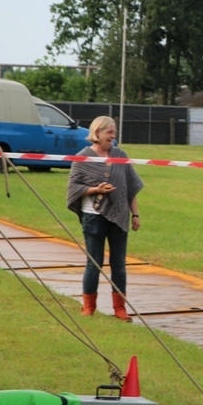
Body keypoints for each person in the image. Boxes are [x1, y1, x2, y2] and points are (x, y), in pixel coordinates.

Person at [67, 116, 144, 321]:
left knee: (119, 264)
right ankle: (89, 307)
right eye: (109, 132)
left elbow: (131, 187)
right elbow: (74, 187)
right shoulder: (83, 157)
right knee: (94, 263)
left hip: (119, 216)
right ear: (97, 132)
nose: (113, 136)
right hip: (93, 217)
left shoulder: (120, 155)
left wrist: (135, 214)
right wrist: (96, 190)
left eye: (114, 132)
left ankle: (120, 308)